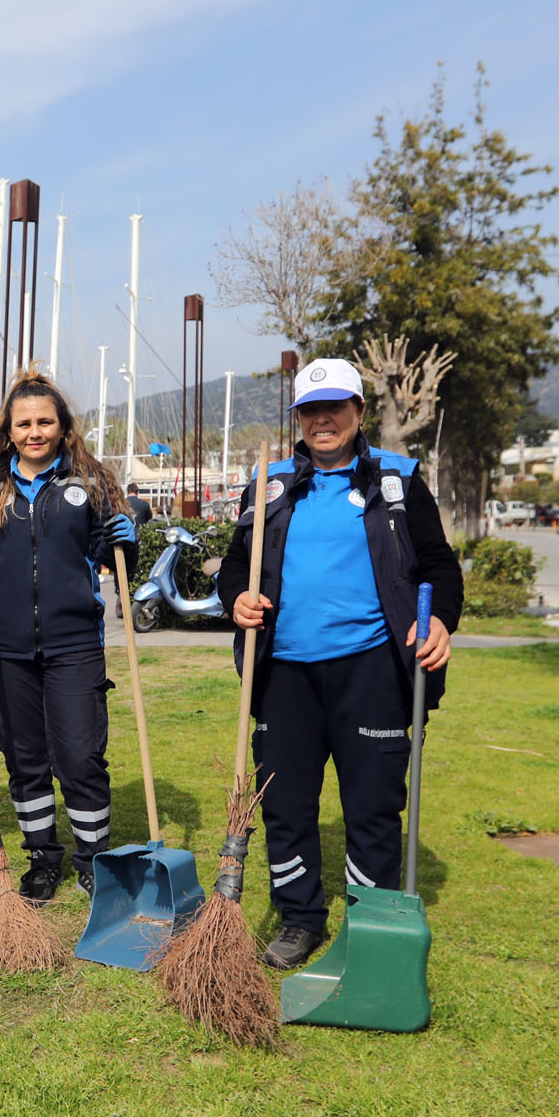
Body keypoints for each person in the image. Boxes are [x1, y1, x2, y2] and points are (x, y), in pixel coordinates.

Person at [220, 358, 462, 970]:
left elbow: (439, 567)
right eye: (309, 410)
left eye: (335, 408)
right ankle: (299, 919)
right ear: (297, 418)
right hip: (284, 675)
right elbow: (232, 570)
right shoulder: (267, 484)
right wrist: (237, 600)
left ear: (358, 411)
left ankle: (370, 918)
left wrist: (438, 620)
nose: (322, 419)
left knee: (373, 801)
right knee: (285, 802)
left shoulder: (399, 480)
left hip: (373, 670)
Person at [0, 375, 138, 900]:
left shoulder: (89, 484)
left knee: (80, 758)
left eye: (45, 422)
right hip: (5, 649)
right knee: (25, 758)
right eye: (24, 423)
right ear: (8, 432)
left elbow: (112, 557)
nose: (35, 432)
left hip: (74, 643)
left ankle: (93, 856)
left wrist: (125, 540)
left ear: (62, 428)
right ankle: (42, 859)